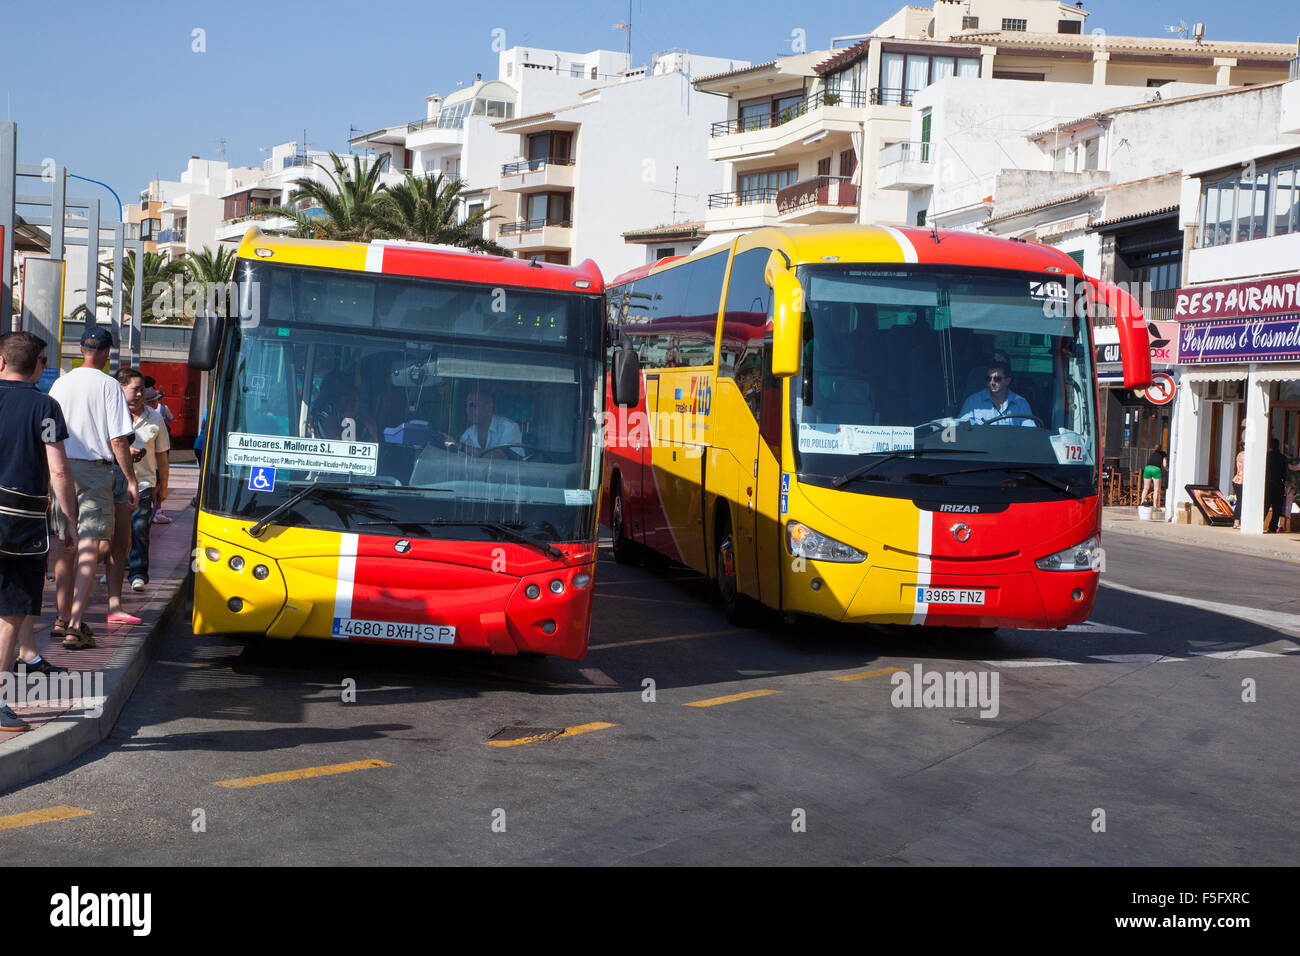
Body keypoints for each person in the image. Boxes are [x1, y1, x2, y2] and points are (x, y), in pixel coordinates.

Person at [0, 332, 79, 731]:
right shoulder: (45, 407)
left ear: (0, 363)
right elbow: (60, 470)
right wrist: (70, 521)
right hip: (19, 525)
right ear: (38, 367)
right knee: (11, 611)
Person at [48, 326, 139, 649]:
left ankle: (60, 617)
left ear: (81, 348)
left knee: (62, 542)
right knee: (89, 543)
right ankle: (74, 625)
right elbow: (117, 438)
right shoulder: (109, 385)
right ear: (106, 352)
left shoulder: (61, 383)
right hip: (95, 472)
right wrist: (130, 479)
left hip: (61, 468)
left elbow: (49, 433)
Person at [118, 368, 170, 593]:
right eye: (136, 389)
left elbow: (162, 455)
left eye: (143, 390)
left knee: (140, 529)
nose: (140, 394)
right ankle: (116, 567)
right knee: (117, 532)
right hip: (115, 483)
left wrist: (164, 486)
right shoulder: (111, 416)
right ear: (121, 388)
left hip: (144, 484)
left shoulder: (155, 418)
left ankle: (138, 573)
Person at [959, 360, 1036, 426]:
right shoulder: (973, 402)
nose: (992, 382)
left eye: (997, 379)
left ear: (1008, 381)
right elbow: (962, 429)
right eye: (988, 379)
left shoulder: (1021, 403)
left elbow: (1030, 433)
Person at [458, 389, 523, 459]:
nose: (468, 410)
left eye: (472, 405)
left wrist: (461, 447)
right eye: (466, 406)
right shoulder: (467, 434)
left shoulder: (508, 427)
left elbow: (499, 457)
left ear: (488, 407)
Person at [144, 386, 175, 524]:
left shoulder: (156, 417)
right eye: (154, 400)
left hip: (153, 463)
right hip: (151, 464)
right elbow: (172, 418)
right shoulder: (159, 413)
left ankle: (155, 511)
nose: (156, 403)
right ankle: (156, 511)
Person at [1264, 435, 1300, 533]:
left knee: (1265, 505)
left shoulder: (1266, 456)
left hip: (1267, 484)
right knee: (1277, 507)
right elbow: (1285, 472)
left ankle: (1259, 523)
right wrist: (1286, 482)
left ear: (1270, 446)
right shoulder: (1282, 457)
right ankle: (1272, 527)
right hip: (1278, 484)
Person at [1140, 447, 1167, 511]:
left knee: (1146, 488)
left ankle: (1141, 503)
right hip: (1156, 469)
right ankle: (1155, 506)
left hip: (1147, 468)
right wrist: (1167, 469)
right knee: (1156, 489)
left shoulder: (1153, 453)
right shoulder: (1163, 454)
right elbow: (1164, 464)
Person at [1232, 440, 1245, 529]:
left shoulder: (1239, 454)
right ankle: (1237, 522)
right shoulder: (1244, 455)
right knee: (1241, 501)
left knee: (1239, 501)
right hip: (1241, 481)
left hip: (1237, 480)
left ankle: (1237, 522)